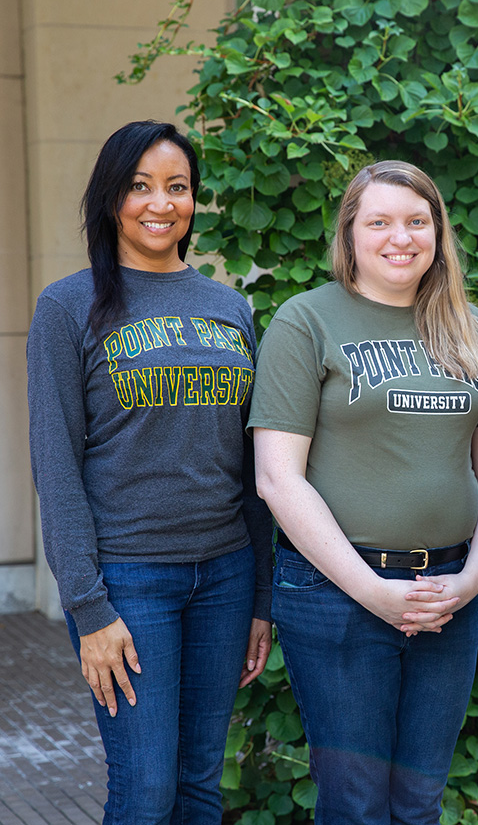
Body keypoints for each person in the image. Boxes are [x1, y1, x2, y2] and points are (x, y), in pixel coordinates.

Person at [27, 120, 273, 825]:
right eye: (140, 186)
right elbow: (57, 465)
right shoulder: (68, 307)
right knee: (144, 791)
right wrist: (89, 606)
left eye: (177, 187)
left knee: (199, 787)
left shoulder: (230, 308)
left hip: (224, 576)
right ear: (111, 200)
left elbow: (250, 462)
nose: (160, 202)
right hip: (130, 582)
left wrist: (260, 596)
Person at [248, 159, 478, 825]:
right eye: (380, 221)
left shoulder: (469, 326)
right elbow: (278, 476)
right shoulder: (307, 321)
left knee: (418, 801)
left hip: (448, 593)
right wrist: (376, 593)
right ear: (350, 233)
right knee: (357, 807)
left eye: (417, 221)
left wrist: (472, 578)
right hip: (337, 598)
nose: (401, 236)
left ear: (438, 232)